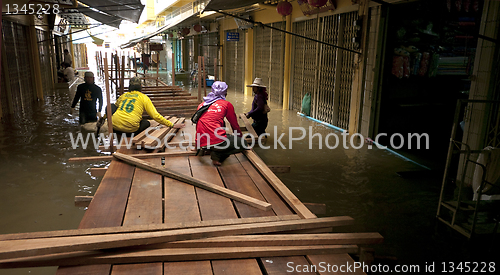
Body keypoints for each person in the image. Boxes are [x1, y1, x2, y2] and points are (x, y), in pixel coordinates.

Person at [195, 81, 248, 166]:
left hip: (202, 142)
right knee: (243, 143)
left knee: (221, 128)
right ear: (225, 93)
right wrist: (242, 141)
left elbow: (198, 125)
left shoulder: (202, 105)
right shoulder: (226, 104)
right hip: (216, 142)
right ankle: (217, 155)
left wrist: (197, 145)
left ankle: (209, 148)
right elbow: (235, 126)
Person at [112, 76, 184, 136]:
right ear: (141, 86)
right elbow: (155, 116)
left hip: (114, 126)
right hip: (130, 130)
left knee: (112, 106)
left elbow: (115, 107)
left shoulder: (123, 96)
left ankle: (111, 121)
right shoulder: (144, 97)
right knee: (146, 123)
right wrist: (171, 125)